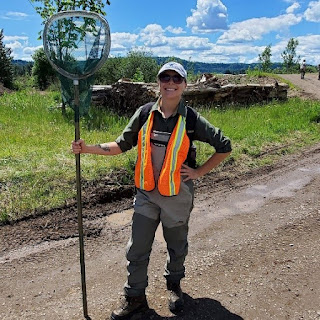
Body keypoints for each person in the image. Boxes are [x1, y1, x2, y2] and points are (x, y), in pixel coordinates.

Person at [71, 61, 232, 320]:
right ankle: (135, 298)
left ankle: (174, 287)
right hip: (146, 195)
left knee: (176, 246)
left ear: (184, 85)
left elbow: (224, 145)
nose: (170, 83)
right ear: (158, 82)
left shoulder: (191, 119)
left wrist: (198, 172)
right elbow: (122, 144)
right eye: (164, 77)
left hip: (177, 198)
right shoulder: (145, 113)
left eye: (176, 79)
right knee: (137, 249)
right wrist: (87, 148)